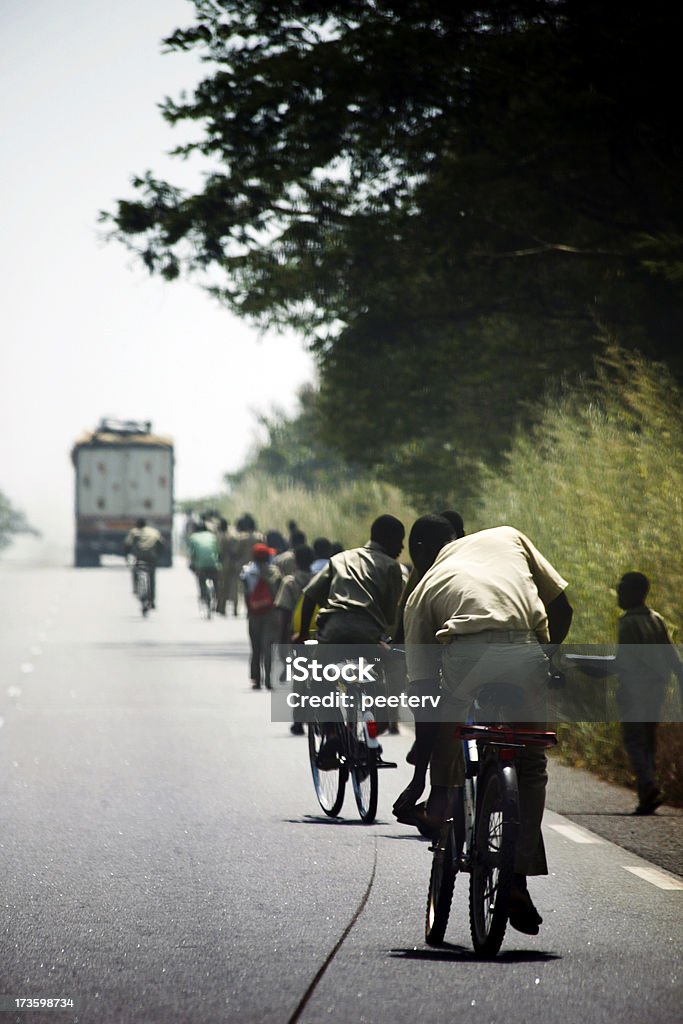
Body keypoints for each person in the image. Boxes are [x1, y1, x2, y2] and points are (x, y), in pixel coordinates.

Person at [401, 524, 573, 935]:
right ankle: (517, 878)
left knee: (450, 727)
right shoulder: (511, 536)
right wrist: (548, 659)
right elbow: (563, 608)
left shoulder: (424, 588)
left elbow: (424, 694)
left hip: (467, 659)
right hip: (525, 650)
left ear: (426, 553)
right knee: (531, 764)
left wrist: (419, 778)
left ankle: (444, 803)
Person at [297, 515, 406, 765]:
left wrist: (302, 633)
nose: (401, 548)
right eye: (399, 542)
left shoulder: (340, 559)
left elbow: (310, 596)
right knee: (378, 680)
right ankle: (373, 733)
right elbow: (391, 615)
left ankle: (333, 733)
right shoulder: (391, 567)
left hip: (334, 631)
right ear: (388, 540)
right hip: (367, 635)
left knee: (320, 679)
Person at [572, 572, 683, 815]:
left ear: (635, 593)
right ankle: (647, 795)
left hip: (635, 691)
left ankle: (648, 785)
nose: (619, 595)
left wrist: (592, 667)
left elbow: (623, 663)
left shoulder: (628, 622)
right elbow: (673, 658)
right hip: (656, 691)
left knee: (634, 740)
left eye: (622, 590)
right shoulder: (656, 620)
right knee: (648, 741)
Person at [273, 544, 315, 733]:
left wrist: (283, 641)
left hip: (298, 637)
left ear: (296, 561)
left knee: (300, 680)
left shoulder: (290, 582)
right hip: (319, 635)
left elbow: (283, 613)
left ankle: (299, 721)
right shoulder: (319, 580)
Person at [241, 542, 282, 689]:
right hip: (270, 614)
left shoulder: (247, 572)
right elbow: (278, 595)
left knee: (256, 648)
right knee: (268, 648)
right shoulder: (275, 572)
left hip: (254, 614)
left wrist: (251, 609)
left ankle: (256, 679)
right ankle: (269, 679)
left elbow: (246, 595)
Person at [124, 518, 164, 608]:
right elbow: (161, 544)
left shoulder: (134, 532)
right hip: (152, 557)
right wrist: (158, 557)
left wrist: (126, 557)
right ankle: (152, 600)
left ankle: (136, 589)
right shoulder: (154, 532)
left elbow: (127, 545)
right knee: (152, 578)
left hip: (140, 556)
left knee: (135, 571)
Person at [188, 521, 220, 608]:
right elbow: (217, 551)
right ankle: (217, 597)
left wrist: (192, 564)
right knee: (216, 581)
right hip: (214, 564)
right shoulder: (213, 536)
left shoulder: (193, 537)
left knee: (201, 580)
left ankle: (203, 596)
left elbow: (192, 553)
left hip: (201, 565)